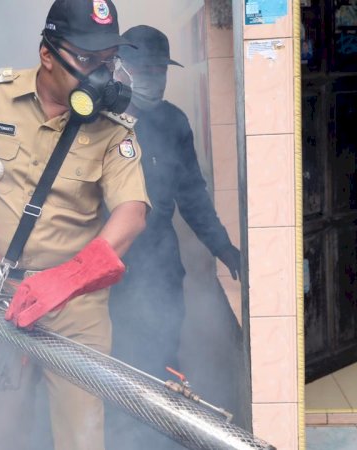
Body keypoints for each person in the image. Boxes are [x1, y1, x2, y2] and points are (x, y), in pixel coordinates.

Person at [0, 1, 150, 449]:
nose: (101, 76)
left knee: (81, 433)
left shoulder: (113, 129)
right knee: (2, 428)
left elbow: (133, 211)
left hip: (74, 307)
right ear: (48, 54)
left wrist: (70, 277)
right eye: (87, 60)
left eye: (109, 60)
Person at [105, 25, 242, 450]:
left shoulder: (174, 121)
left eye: (160, 69)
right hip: (108, 265)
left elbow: (193, 195)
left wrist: (223, 247)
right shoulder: (98, 118)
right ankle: (122, 438)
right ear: (121, 69)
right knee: (118, 364)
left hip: (160, 265)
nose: (155, 77)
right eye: (145, 68)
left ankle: (160, 438)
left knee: (163, 358)